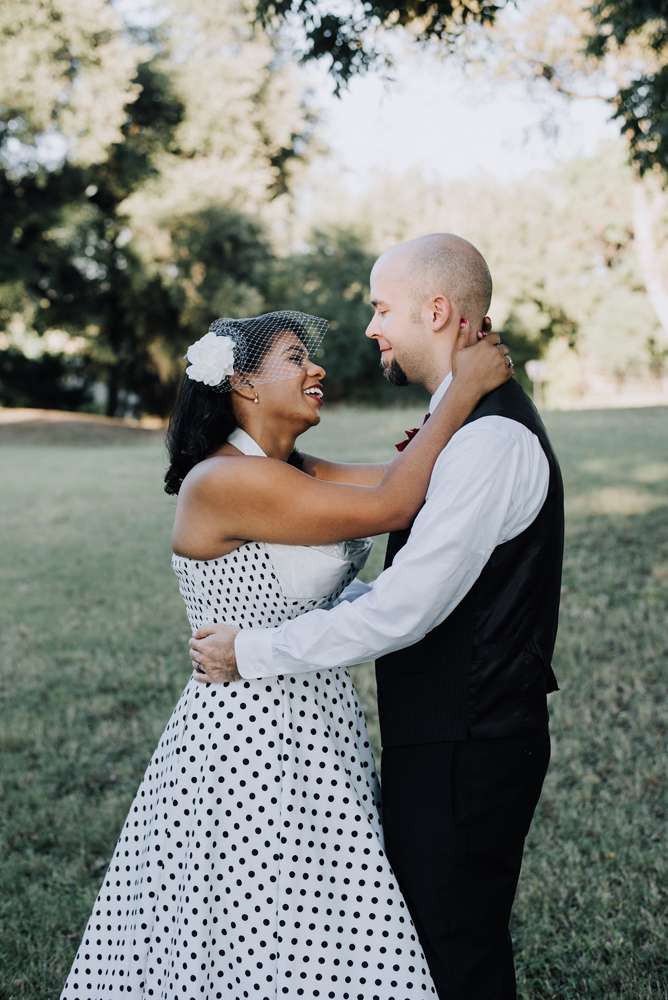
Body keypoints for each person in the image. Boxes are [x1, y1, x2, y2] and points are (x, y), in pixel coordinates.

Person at [59, 306, 511, 999]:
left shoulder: (290, 468)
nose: (316, 367)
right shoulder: (223, 479)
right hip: (250, 737)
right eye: (296, 358)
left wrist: (450, 435)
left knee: (323, 908)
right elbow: (393, 504)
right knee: (261, 914)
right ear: (242, 383)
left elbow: (403, 484)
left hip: (316, 719)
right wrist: (464, 391)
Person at [189, 234, 565, 1000]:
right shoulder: (462, 428)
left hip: (469, 738)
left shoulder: (490, 439)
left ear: (437, 310)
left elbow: (407, 606)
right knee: (415, 947)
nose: (369, 329)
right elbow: (399, 540)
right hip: (418, 735)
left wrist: (252, 652)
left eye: (381, 309)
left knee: (452, 956)